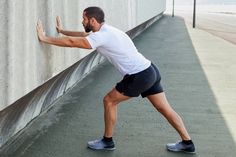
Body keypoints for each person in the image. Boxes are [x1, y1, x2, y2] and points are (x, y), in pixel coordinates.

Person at [36, 6, 195, 153]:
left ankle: (107, 141)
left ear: (92, 21)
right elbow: (84, 35)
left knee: (109, 101)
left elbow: (73, 43)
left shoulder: (102, 36)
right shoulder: (108, 31)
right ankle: (187, 143)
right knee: (165, 109)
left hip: (138, 76)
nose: (82, 21)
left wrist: (45, 38)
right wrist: (62, 31)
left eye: (84, 19)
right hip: (150, 70)